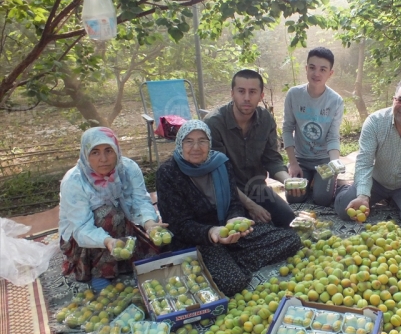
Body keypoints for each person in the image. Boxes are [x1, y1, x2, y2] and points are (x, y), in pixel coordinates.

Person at [155, 120, 301, 296]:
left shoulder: (220, 163)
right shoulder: (168, 173)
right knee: (233, 283)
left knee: (290, 240)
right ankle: (225, 262)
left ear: (209, 142)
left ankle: (228, 260)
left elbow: (233, 202)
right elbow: (178, 224)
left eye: (202, 141)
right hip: (197, 240)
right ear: (179, 144)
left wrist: (234, 218)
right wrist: (211, 232)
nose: (196, 147)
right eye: (189, 141)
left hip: (229, 231)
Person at [59, 127, 166, 291]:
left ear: (117, 150)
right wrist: (108, 242)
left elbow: (141, 200)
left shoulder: (128, 169)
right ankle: (100, 273)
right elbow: (81, 229)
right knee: (109, 214)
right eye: (95, 152)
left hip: (123, 224)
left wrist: (149, 223)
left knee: (159, 249)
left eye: (109, 150)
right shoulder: (74, 182)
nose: (103, 159)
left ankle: (121, 260)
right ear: (85, 154)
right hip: (82, 238)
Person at [334, 78, 401, 224]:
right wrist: (363, 195)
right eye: (400, 100)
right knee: (344, 210)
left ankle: (398, 199)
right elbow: (364, 162)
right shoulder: (375, 122)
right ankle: (347, 187)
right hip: (376, 181)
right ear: (393, 100)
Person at [205, 69, 295, 227]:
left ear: (261, 96)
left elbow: (272, 159)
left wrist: (288, 182)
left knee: (289, 220)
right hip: (226, 195)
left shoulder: (266, 119)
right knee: (246, 233)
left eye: (252, 92)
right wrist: (251, 206)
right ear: (232, 93)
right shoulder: (214, 124)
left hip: (257, 189)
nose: (246, 98)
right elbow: (219, 177)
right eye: (241, 91)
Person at [283, 47, 344, 206]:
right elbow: (287, 128)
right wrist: (294, 163)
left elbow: (332, 136)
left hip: (324, 160)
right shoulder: (293, 95)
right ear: (306, 69)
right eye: (312, 67)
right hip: (301, 159)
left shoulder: (336, 101)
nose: (316, 73)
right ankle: (308, 179)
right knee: (293, 198)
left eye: (322, 69)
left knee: (322, 199)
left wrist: (334, 163)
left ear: (330, 73)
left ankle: (324, 183)